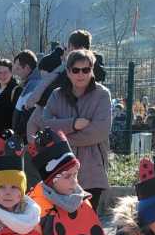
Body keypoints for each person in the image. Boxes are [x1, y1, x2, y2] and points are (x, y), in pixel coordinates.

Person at [28, 48, 113, 211]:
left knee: (87, 220)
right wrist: (73, 124)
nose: (81, 74)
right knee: (59, 221)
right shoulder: (56, 95)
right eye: (75, 70)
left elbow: (100, 131)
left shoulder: (102, 95)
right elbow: (45, 125)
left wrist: (61, 139)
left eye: (85, 70)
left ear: (92, 70)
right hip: (59, 171)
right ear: (68, 72)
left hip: (91, 171)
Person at [10, 50, 42, 142]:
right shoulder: (32, 83)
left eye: (18, 68)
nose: (16, 72)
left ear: (27, 68)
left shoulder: (33, 86)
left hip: (28, 140)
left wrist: (17, 135)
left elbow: (27, 117)